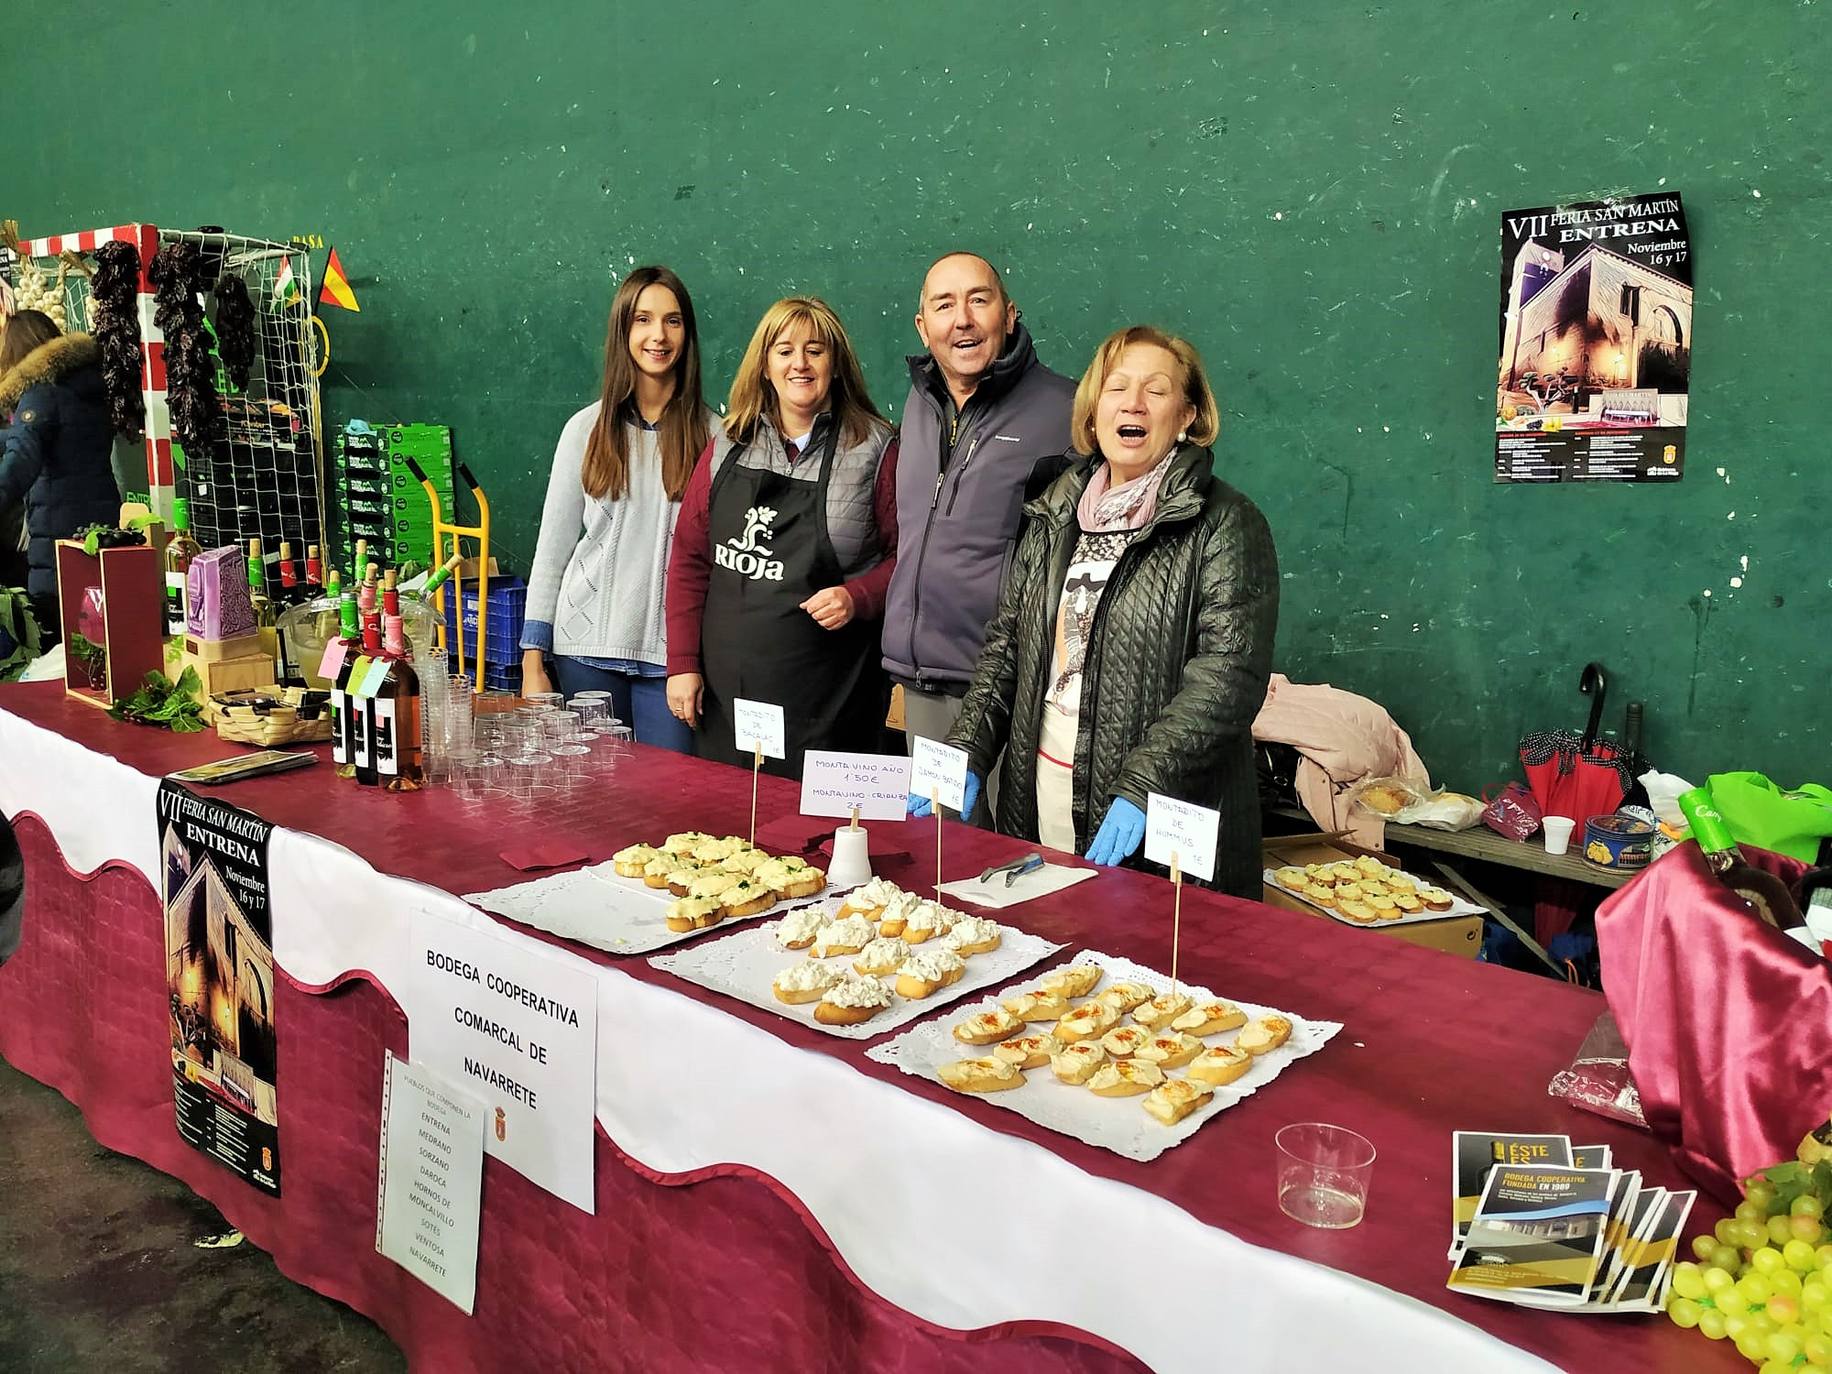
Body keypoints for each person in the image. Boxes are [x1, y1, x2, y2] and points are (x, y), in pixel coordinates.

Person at [915, 325, 1279, 897]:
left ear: (1186, 415)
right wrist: (965, 750)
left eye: (1156, 391)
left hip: (1151, 815)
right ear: (1093, 410)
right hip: (1037, 797)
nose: (1133, 403)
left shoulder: (1225, 522)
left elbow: (1228, 679)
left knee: (1147, 980)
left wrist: (1142, 787)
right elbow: (1008, 644)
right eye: (1117, 388)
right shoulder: (1052, 510)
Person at [665, 296, 898, 777]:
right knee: (727, 838)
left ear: (836, 364)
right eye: (785, 350)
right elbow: (689, 559)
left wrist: (859, 597)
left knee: (817, 841)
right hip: (728, 701)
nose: (800, 363)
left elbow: (908, 560)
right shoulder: (728, 442)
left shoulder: (875, 448)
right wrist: (682, 664)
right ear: (764, 365)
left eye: (815, 350)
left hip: (831, 704)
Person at [880, 252, 1075, 822]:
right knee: (941, 868)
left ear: (1008, 315)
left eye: (978, 300)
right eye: (944, 305)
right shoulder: (920, 404)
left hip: (1012, 695)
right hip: (923, 682)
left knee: (1011, 876)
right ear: (924, 326)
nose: (961, 319)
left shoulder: (1067, 412)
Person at [519, 267, 712, 750]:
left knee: (669, 810)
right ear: (623, 331)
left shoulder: (718, 436)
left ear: (687, 334)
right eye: (643, 319)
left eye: (672, 321)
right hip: (582, 652)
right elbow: (553, 549)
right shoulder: (584, 429)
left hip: (673, 663)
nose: (657, 335)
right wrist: (531, 660)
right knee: (598, 807)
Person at [0, 310, 120, 644]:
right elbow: (56, 436)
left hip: (58, 546)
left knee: (61, 648)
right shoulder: (87, 389)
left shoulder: (40, 394)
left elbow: (22, 459)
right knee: (98, 637)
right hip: (101, 532)